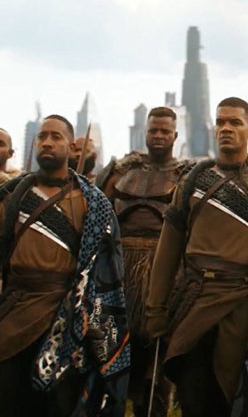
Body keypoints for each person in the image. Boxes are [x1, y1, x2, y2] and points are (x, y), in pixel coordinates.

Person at [145, 97, 248, 417]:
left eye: (235, 123)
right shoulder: (193, 180)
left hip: (244, 307)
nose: (226, 129)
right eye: (221, 122)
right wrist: (155, 309)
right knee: (193, 397)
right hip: (194, 302)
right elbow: (168, 248)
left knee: (234, 400)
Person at [0, 114, 129, 416]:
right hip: (14, 313)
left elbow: (106, 269)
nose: (47, 142)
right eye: (42, 136)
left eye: (55, 137)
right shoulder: (10, 197)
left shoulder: (93, 204)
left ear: (71, 147)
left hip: (69, 320)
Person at [97, 106, 190, 417]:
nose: (158, 136)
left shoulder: (187, 177)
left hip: (165, 276)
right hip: (120, 275)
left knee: (158, 363)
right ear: (145, 132)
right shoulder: (119, 173)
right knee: (116, 352)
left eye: (165, 131)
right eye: (153, 130)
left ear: (175, 136)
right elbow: (98, 218)